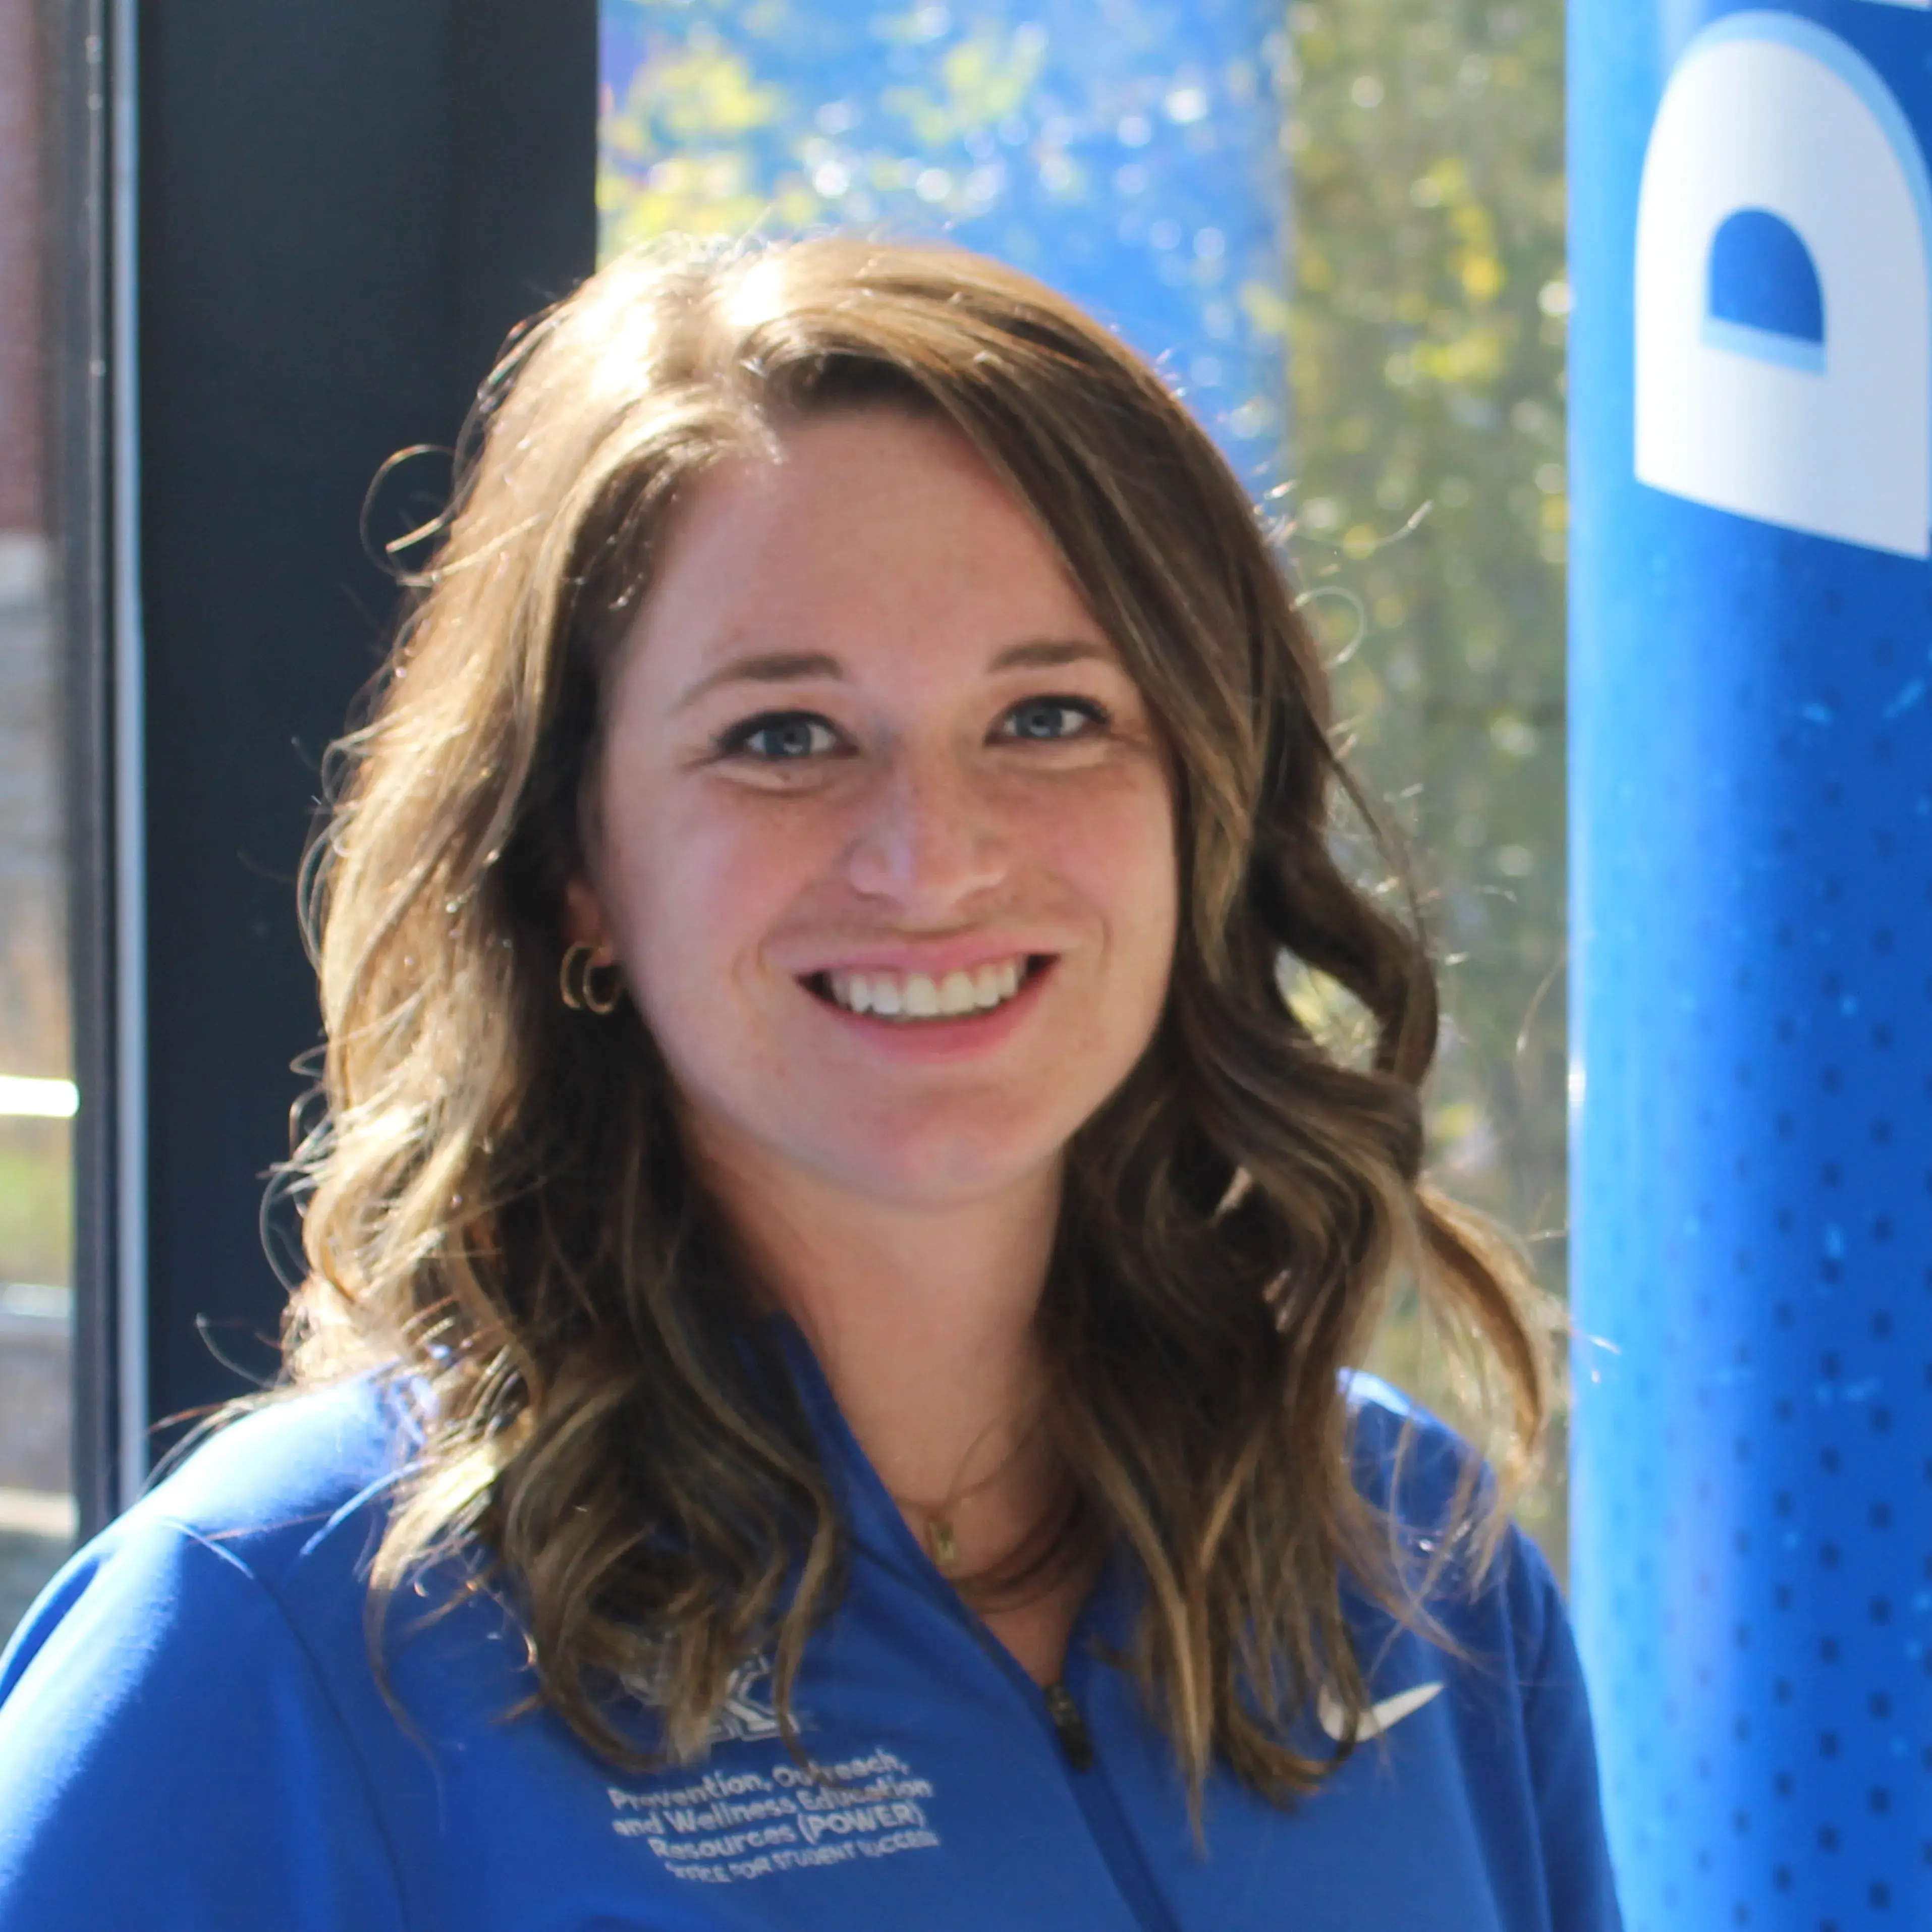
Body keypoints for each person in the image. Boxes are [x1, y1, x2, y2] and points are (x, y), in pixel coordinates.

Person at [0, 236, 1620, 1929]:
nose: (932, 858)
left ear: (1202, 801)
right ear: (575, 861)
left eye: (1049, 715)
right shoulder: (289, 1644)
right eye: (783, 736)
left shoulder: (1403, 1558)